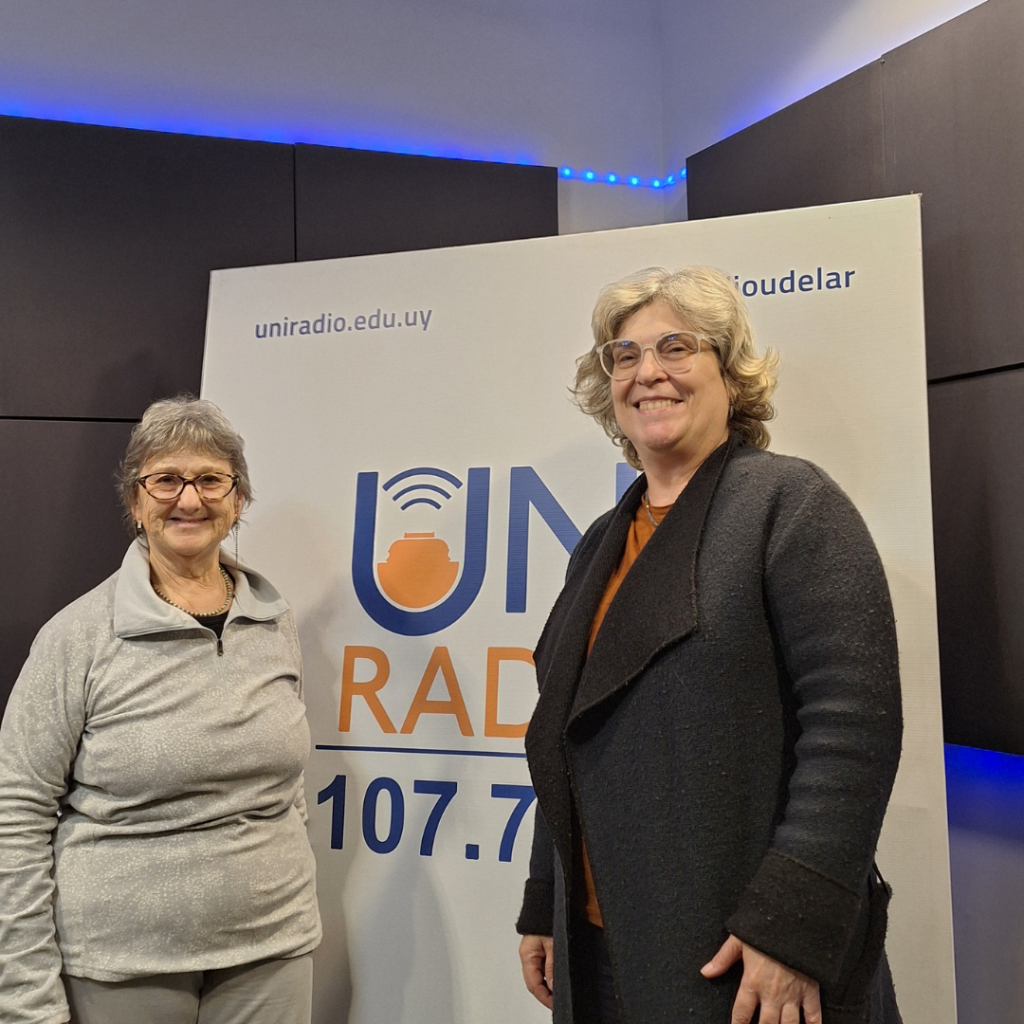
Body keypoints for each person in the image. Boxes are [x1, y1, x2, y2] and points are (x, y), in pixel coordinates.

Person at [516, 267, 903, 1024]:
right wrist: (545, 900)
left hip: (740, 952)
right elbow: (569, 734)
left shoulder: (791, 503)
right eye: (625, 355)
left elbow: (854, 730)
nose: (647, 372)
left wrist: (791, 926)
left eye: (676, 347)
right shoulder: (598, 543)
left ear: (729, 374)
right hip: (599, 949)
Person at [0, 396, 320, 1024]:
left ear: (238, 499)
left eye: (210, 480)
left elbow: (288, 789)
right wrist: (25, 997)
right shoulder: (78, 636)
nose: (189, 500)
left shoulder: (273, 621)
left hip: (273, 951)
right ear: (136, 502)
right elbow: (16, 812)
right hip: (121, 966)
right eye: (166, 480)